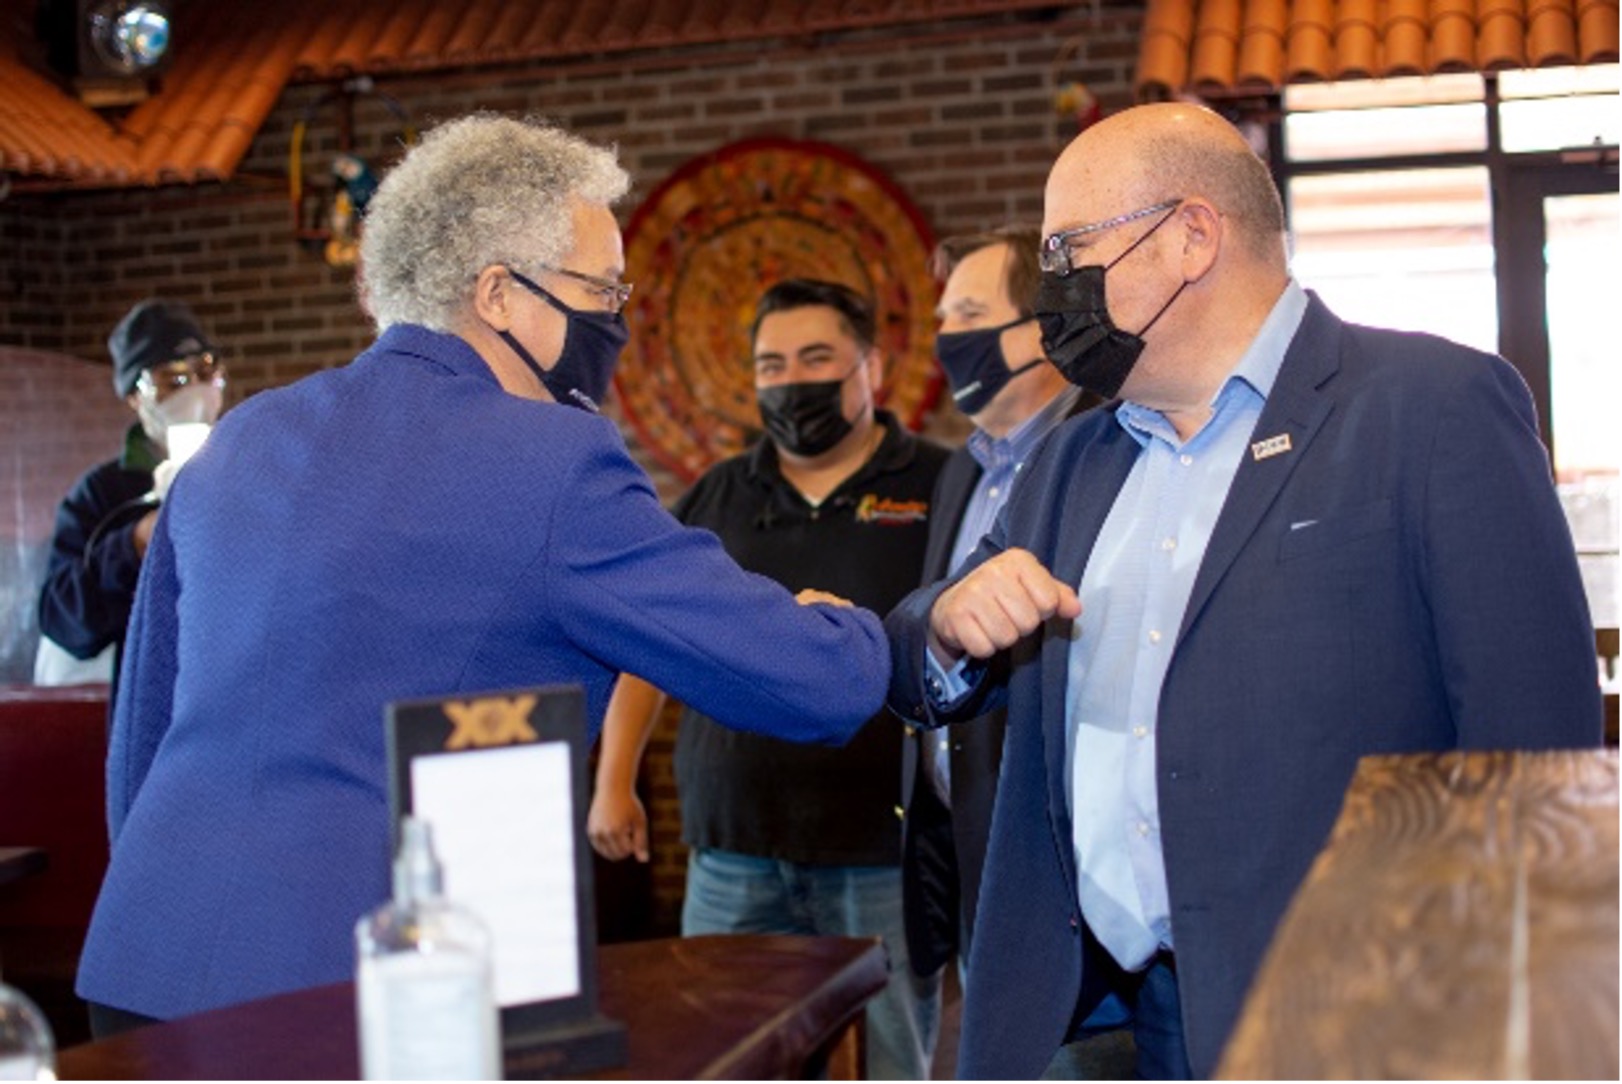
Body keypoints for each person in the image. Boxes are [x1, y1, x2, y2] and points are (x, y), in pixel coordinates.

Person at [74, 116, 892, 1036]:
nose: (615, 320)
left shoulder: (243, 439)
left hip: (145, 957)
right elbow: (805, 681)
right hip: (368, 989)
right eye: (602, 290)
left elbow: (139, 731)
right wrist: (868, 632)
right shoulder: (553, 463)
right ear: (499, 292)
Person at [884, 102, 1602, 1080]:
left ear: (1189, 236)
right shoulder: (1068, 461)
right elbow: (933, 654)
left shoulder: (1430, 409)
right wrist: (941, 627)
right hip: (1103, 1013)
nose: (1051, 292)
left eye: (1068, 251)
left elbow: (1532, 767)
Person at [587, 279, 949, 1079]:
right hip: (734, 847)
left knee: (889, 1063)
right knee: (720, 1058)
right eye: (772, 365)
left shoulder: (940, 484)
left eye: (817, 358)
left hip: (879, 848)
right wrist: (614, 780)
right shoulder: (718, 493)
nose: (793, 382)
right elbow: (654, 643)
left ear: (872, 368)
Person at [901, 226, 1102, 984]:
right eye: (942, 317)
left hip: (1059, 863)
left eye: (969, 314)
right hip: (966, 844)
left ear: (1039, 331)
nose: (945, 337)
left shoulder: (1103, 449)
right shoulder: (964, 470)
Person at [36, 299, 225, 694]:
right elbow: (62, 617)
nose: (195, 389)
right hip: (150, 697)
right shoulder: (104, 494)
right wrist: (134, 542)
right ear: (136, 397)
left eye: (204, 370)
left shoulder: (246, 471)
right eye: (172, 379)